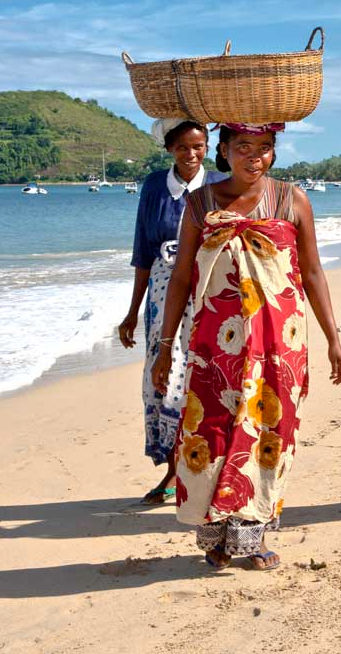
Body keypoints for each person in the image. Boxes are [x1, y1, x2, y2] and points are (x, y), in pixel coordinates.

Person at [152, 121, 341, 570]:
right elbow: (182, 275)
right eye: (243, 147)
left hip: (280, 342)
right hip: (214, 345)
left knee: (269, 434)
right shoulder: (200, 203)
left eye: (264, 147)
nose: (254, 156)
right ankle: (217, 539)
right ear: (223, 151)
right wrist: (165, 347)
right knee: (213, 432)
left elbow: (313, 273)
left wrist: (334, 339)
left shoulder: (292, 199)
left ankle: (252, 536)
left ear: (274, 153)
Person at [118, 119, 225, 505]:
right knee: (165, 377)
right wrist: (132, 312)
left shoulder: (218, 184)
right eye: (183, 147)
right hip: (162, 300)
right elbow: (143, 252)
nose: (192, 154)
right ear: (170, 149)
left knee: (202, 377)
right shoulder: (153, 187)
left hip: (208, 293)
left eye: (199, 146)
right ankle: (171, 472)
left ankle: (203, 472)